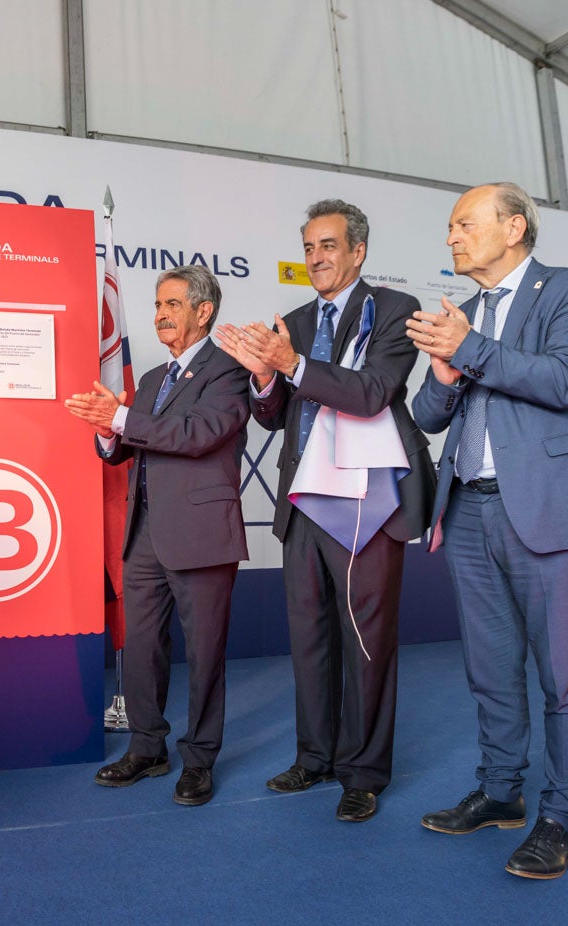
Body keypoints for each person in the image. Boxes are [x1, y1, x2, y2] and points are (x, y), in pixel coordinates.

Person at [408, 182, 568, 878]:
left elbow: (565, 381)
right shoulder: (462, 316)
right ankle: (500, 793)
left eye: (463, 223)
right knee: (490, 670)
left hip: (549, 512)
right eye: (447, 227)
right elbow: (428, 415)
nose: (450, 237)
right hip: (468, 509)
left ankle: (560, 816)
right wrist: (445, 369)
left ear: (514, 227)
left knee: (564, 677)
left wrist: (470, 349)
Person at [216, 199, 435, 823]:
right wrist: (263, 378)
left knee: (364, 641)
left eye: (329, 246)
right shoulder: (293, 319)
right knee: (308, 638)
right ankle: (314, 757)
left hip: (368, 501)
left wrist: (291, 365)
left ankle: (363, 773)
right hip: (304, 501)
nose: (315, 257)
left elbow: (371, 394)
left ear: (358, 251)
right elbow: (272, 415)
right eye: (309, 247)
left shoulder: (395, 312)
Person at [65, 265, 248, 806]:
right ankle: (148, 748)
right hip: (145, 535)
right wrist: (106, 432)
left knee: (206, 653)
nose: (160, 315)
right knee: (141, 647)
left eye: (171, 304)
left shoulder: (229, 371)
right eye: (157, 305)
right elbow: (126, 446)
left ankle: (199, 760)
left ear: (203, 311)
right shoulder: (149, 379)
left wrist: (120, 419)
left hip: (201, 535)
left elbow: (198, 435)